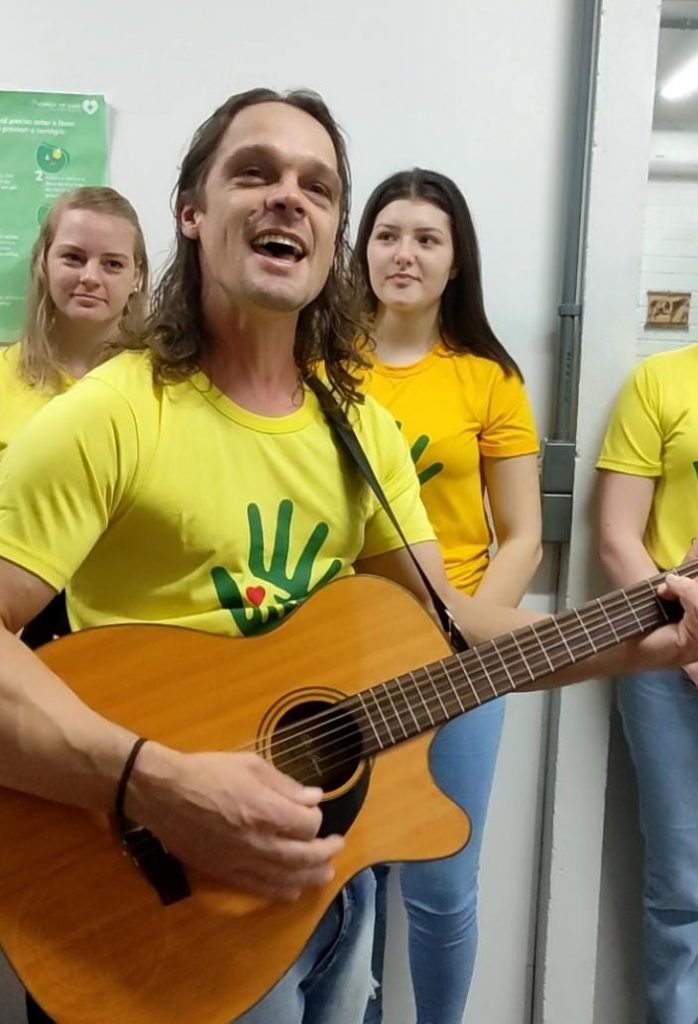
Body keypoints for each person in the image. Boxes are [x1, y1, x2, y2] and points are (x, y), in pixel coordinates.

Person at [0, 89, 695, 1024]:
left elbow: (453, 628)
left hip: (325, 896)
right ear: (192, 213)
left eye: (318, 187)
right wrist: (153, 780)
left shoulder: (359, 428)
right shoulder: (112, 414)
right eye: (255, 172)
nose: (289, 197)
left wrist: (642, 634)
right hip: (155, 896)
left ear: (331, 239)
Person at [354, 168, 542, 1024]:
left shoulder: (489, 380)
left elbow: (523, 535)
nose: (405, 254)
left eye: (427, 239)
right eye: (388, 235)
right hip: (339, 652)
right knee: (344, 878)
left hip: (462, 662)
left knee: (440, 880)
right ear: (362, 251)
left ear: (455, 260)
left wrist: (462, 641)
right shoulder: (315, 366)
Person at [0, 185, 149, 652]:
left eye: (112, 264)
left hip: (135, 628)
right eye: (73, 257)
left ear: (138, 277)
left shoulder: (168, 386)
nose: (90, 277)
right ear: (43, 263)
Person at [597, 343, 698, 1024]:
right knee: (683, 886)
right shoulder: (660, 380)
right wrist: (687, 644)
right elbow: (616, 537)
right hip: (670, 663)